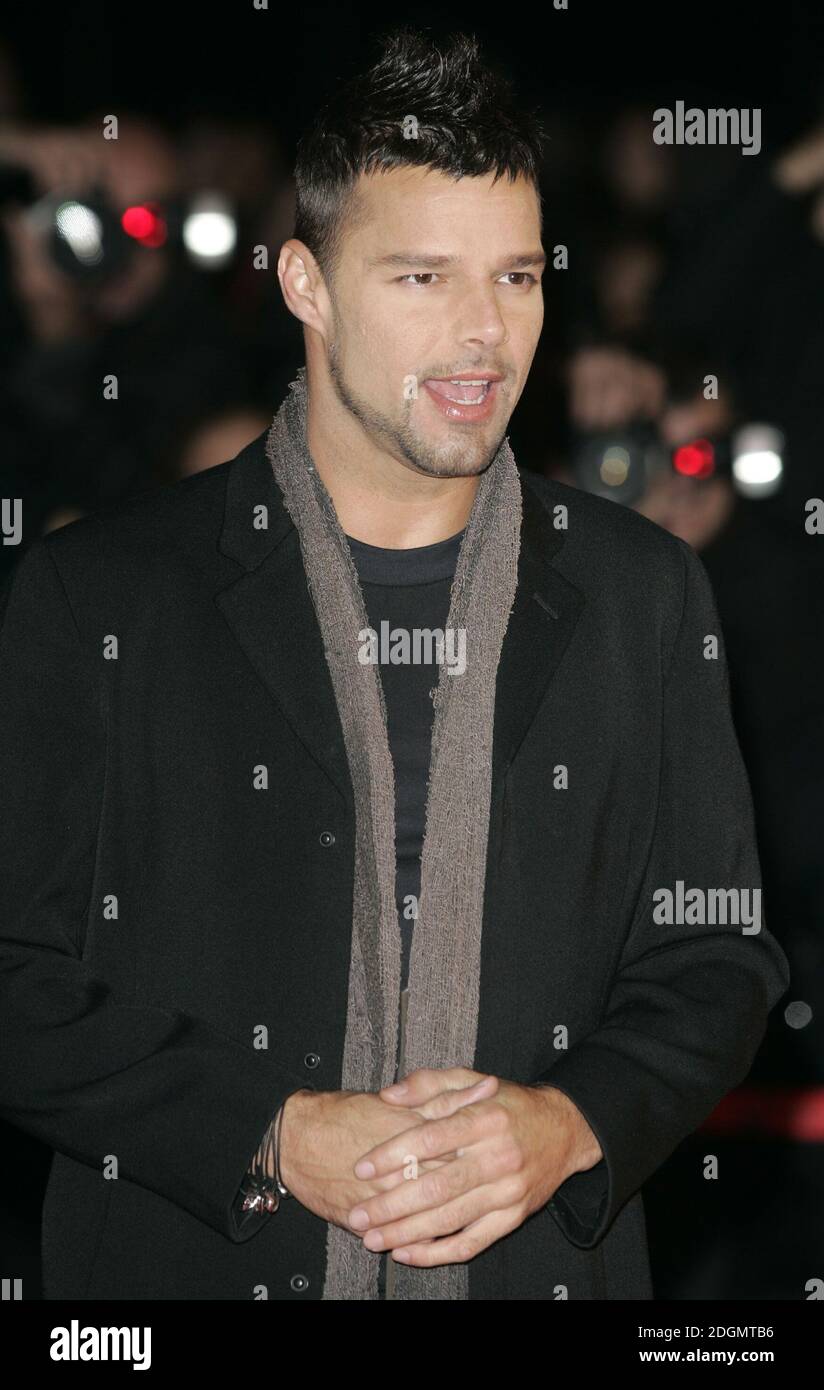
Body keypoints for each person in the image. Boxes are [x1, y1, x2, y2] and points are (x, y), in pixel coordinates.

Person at [0, 29, 789, 1301]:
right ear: (304, 284)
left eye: (518, 277)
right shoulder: (106, 595)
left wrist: (568, 1123)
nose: (484, 333)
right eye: (421, 277)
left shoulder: (641, 593)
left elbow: (716, 955)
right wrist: (270, 1126)